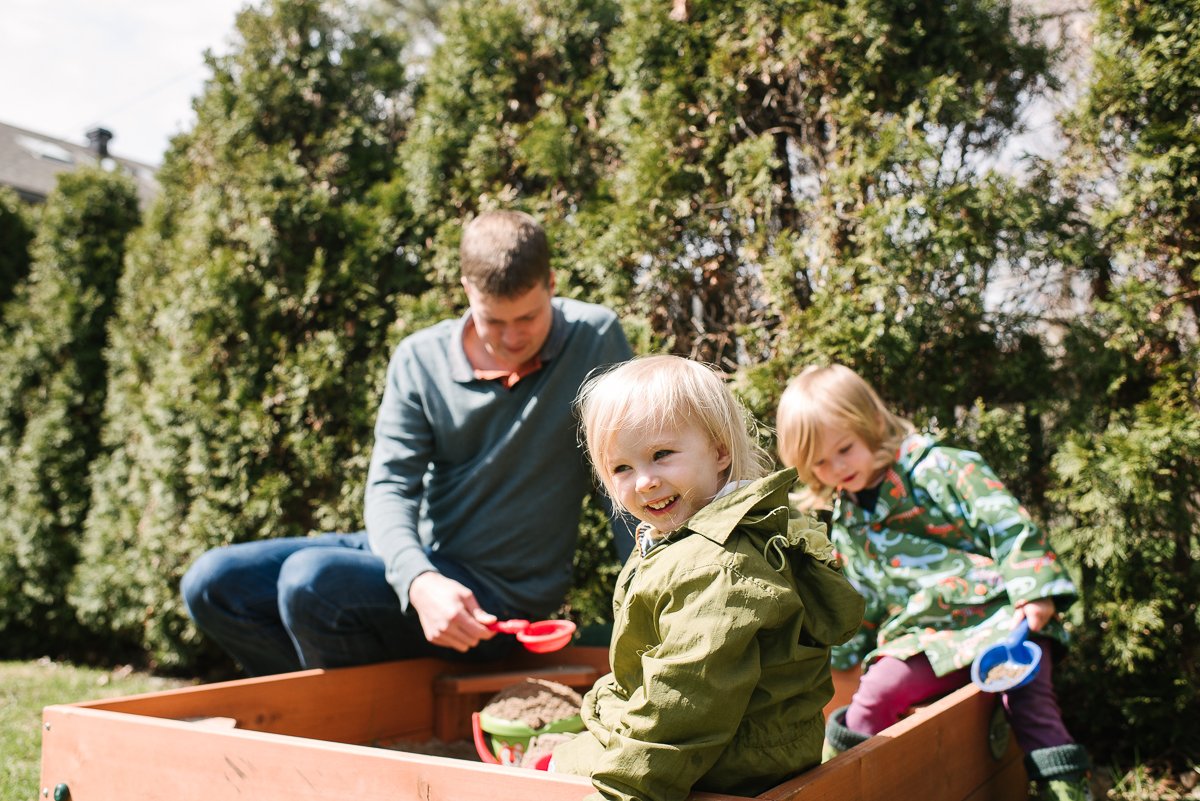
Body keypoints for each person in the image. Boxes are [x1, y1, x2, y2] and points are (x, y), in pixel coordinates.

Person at [181, 210, 634, 676]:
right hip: (423, 561)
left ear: (552, 283)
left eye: (528, 317)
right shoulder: (420, 359)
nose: (512, 336)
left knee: (311, 582)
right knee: (213, 582)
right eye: (492, 320)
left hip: (498, 599)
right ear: (466, 292)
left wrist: (649, 589)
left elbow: (624, 474)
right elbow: (390, 489)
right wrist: (419, 579)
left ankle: (348, 722)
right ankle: (329, 709)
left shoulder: (593, 338)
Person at [551, 355, 865, 801]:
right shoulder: (687, 538)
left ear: (720, 452)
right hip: (743, 744)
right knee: (568, 749)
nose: (644, 482)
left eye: (662, 455)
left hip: (731, 762)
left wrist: (621, 791)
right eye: (622, 468)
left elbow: (684, 703)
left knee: (555, 768)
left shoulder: (716, 564)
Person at [775, 364, 1091, 801]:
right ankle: (837, 786)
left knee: (1029, 702)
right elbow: (860, 597)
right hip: (926, 635)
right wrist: (841, 655)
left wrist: (1034, 590)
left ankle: (1065, 791)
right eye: (820, 463)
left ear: (872, 423)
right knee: (874, 694)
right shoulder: (849, 522)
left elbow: (1005, 522)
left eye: (844, 448)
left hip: (997, 616)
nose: (836, 468)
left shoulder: (937, 467)